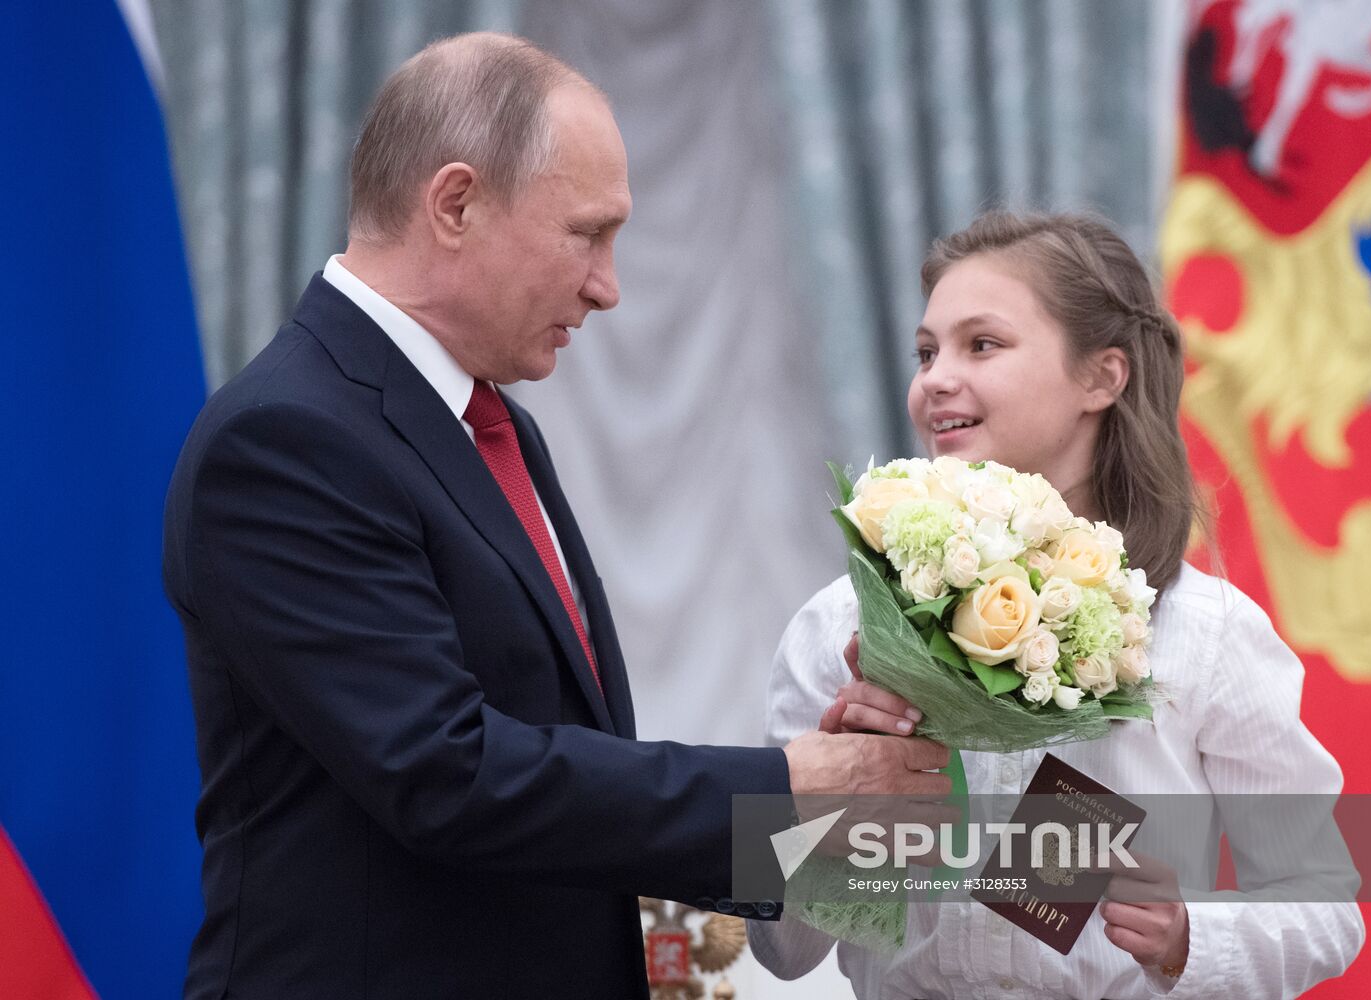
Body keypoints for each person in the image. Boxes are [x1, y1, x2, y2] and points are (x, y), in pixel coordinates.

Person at [162, 32, 948, 1000]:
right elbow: (443, 774)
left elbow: (566, 757)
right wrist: (789, 791)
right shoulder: (284, 438)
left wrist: (821, 810)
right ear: (454, 204)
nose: (607, 286)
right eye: (586, 233)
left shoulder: (494, 427)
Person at [747, 211, 1364, 998]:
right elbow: (782, 949)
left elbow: (1328, 905)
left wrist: (1187, 936)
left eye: (983, 344)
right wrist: (846, 805)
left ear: (1101, 378)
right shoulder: (840, 625)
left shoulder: (1202, 632)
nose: (935, 378)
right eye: (927, 351)